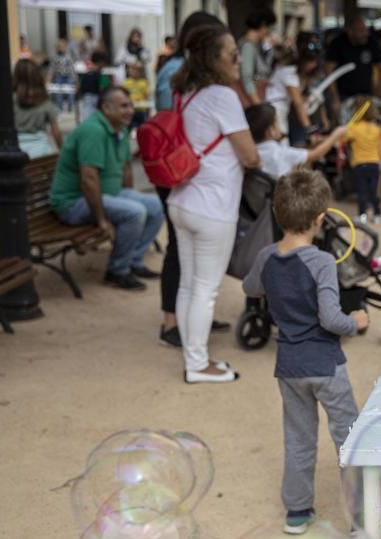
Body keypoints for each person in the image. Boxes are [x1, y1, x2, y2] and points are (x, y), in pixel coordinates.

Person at [241, 168, 368, 535]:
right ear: (319, 220)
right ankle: (361, 518)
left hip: (290, 367)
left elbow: (251, 288)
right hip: (326, 364)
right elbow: (330, 319)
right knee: (349, 437)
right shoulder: (322, 261)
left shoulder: (266, 257)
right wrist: (355, 322)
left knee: (298, 438)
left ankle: (297, 512)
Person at [167, 24, 263, 384]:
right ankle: (197, 365)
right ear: (214, 59)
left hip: (183, 200)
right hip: (212, 206)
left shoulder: (187, 93)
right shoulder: (223, 97)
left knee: (189, 286)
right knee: (204, 290)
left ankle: (195, 357)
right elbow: (250, 156)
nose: (238, 59)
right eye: (232, 53)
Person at [152, 11, 227, 349]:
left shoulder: (182, 71)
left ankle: (195, 317)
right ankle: (171, 321)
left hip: (180, 166)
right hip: (177, 167)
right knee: (178, 249)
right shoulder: (178, 72)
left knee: (191, 249)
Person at [49, 86, 163, 290]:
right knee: (134, 212)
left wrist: (128, 195)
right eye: (124, 106)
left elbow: (126, 168)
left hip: (106, 194)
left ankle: (133, 262)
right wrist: (102, 219)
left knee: (156, 206)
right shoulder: (93, 130)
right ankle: (117, 271)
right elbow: (89, 179)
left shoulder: (120, 128)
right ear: (106, 108)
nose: (130, 110)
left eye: (130, 106)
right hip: (73, 203)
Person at [245, 103, 346, 178]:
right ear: (271, 131)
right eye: (277, 122)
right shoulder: (280, 152)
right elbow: (315, 155)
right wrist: (336, 135)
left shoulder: (250, 153)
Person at [326, 16, 381, 120]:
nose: (365, 34)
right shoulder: (338, 43)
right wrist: (334, 97)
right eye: (361, 31)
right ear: (350, 32)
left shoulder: (371, 42)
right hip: (344, 95)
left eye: (365, 30)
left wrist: (380, 90)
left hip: (367, 94)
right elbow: (329, 69)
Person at [344, 98, 381, 225]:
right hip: (374, 163)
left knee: (362, 191)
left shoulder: (354, 128)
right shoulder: (376, 128)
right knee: (373, 191)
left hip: (360, 163)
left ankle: (362, 215)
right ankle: (377, 214)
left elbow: (343, 140)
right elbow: (379, 145)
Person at [13, 59, 62, 158]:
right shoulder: (44, 100)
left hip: (16, 151)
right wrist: (62, 150)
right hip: (41, 153)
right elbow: (56, 131)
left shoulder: (11, 100)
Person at [238, 9, 277, 106]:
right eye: (269, 27)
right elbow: (246, 78)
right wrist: (258, 105)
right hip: (251, 103)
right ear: (263, 25)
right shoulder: (248, 47)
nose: (268, 32)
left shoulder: (253, 46)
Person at [79, 50, 107, 120]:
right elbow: (102, 87)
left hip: (86, 99)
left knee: (87, 117)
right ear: (100, 62)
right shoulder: (100, 75)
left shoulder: (86, 74)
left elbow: (80, 87)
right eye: (104, 63)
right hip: (96, 98)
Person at [50, 39, 76, 112]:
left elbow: (72, 68)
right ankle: (60, 108)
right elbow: (52, 68)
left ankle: (70, 107)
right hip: (59, 76)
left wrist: (75, 78)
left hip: (68, 76)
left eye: (63, 47)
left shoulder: (68, 56)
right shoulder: (55, 57)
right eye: (59, 47)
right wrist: (50, 77)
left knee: (70, 91)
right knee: (58, 92)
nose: (61, 48)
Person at [123, 63, 150, 130]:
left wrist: (147, 111)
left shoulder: (143, 83)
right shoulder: (127, 82)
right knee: (128, 126)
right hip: (130, 109)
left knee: (142, 126)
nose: (134, 73)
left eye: (137, 71)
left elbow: (146, 96)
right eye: (132, 70)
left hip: (140, 109)